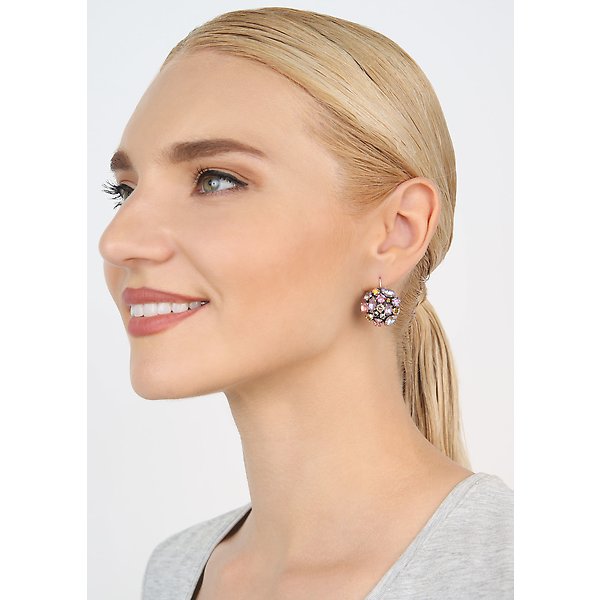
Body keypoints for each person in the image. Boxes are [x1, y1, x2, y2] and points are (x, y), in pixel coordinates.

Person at [98, 7, 513, 599]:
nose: (118, 241)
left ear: (397, 231)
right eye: (125, 190)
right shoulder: (174, 572)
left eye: (215, 179)